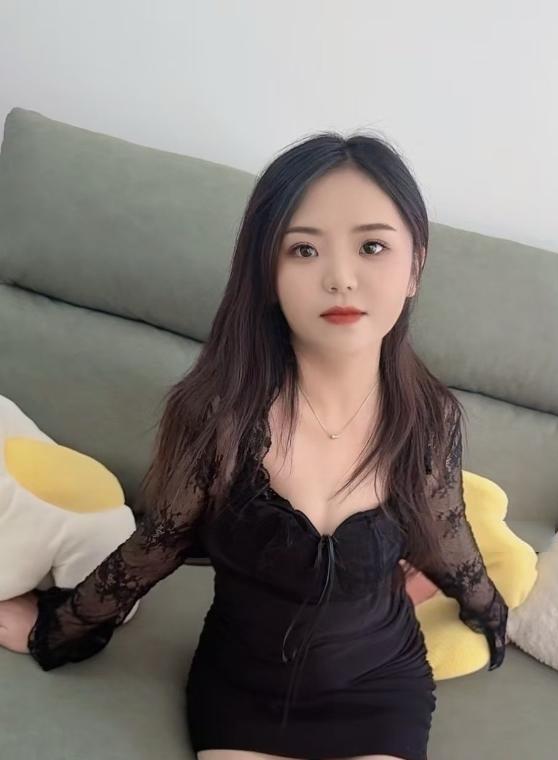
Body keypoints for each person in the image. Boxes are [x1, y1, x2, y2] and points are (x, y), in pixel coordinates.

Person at [0, 131, 509, 760]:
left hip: (379, 684)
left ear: (415, 267)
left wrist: (488, 610)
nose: (341, 278)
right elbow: (157, 545)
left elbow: (446, 535)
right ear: (268, 275)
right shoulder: (220, 417)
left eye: (372, 246)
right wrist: (57, 628)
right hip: (246, 691)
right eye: (304, 249)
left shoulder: (428, 420)